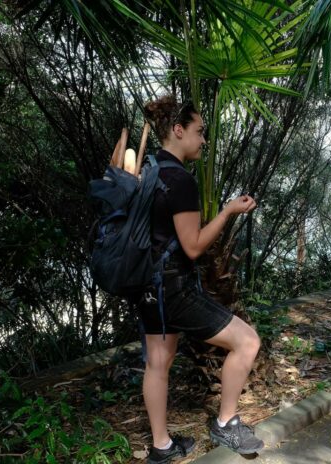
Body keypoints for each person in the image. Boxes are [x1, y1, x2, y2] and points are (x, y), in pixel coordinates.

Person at [139, 95, 264, 463]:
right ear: (178, 131)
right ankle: (226, 422)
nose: (203, 140)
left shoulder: (148, 170)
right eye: (199, 132)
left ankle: (161, 447)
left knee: (157, 363)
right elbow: (192, 248)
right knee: (247, 342)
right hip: (173, 288)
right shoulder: (179, 179)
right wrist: (227, 212)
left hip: (146, 286)